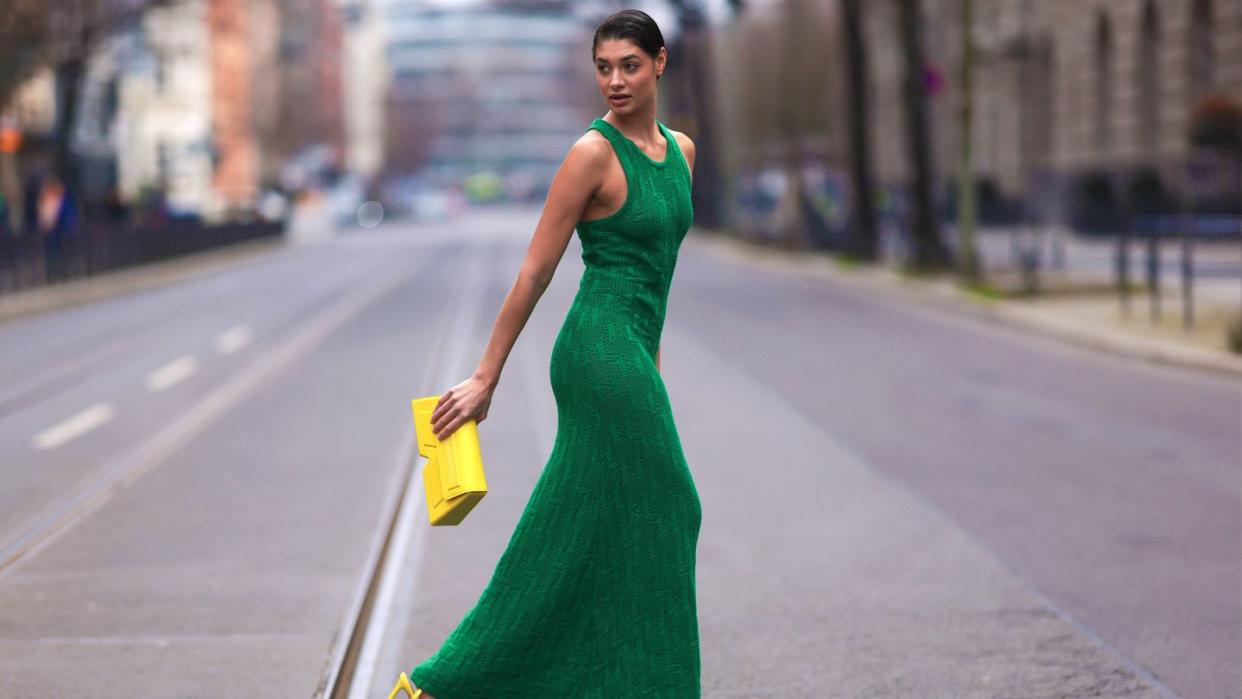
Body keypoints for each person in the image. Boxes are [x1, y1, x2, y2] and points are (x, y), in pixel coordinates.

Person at [404, 9, 702, 698]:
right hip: (595, 349)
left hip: (633, 353)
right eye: (604, 68)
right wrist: (486, 376)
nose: (616, 81)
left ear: (659, 63)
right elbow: (534, 272)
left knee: (594, 523)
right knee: (672, 506)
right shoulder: (590, 155)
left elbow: (658, 275)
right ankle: (455, 680)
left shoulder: (682, 151)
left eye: (630, 65)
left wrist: (651, 370)